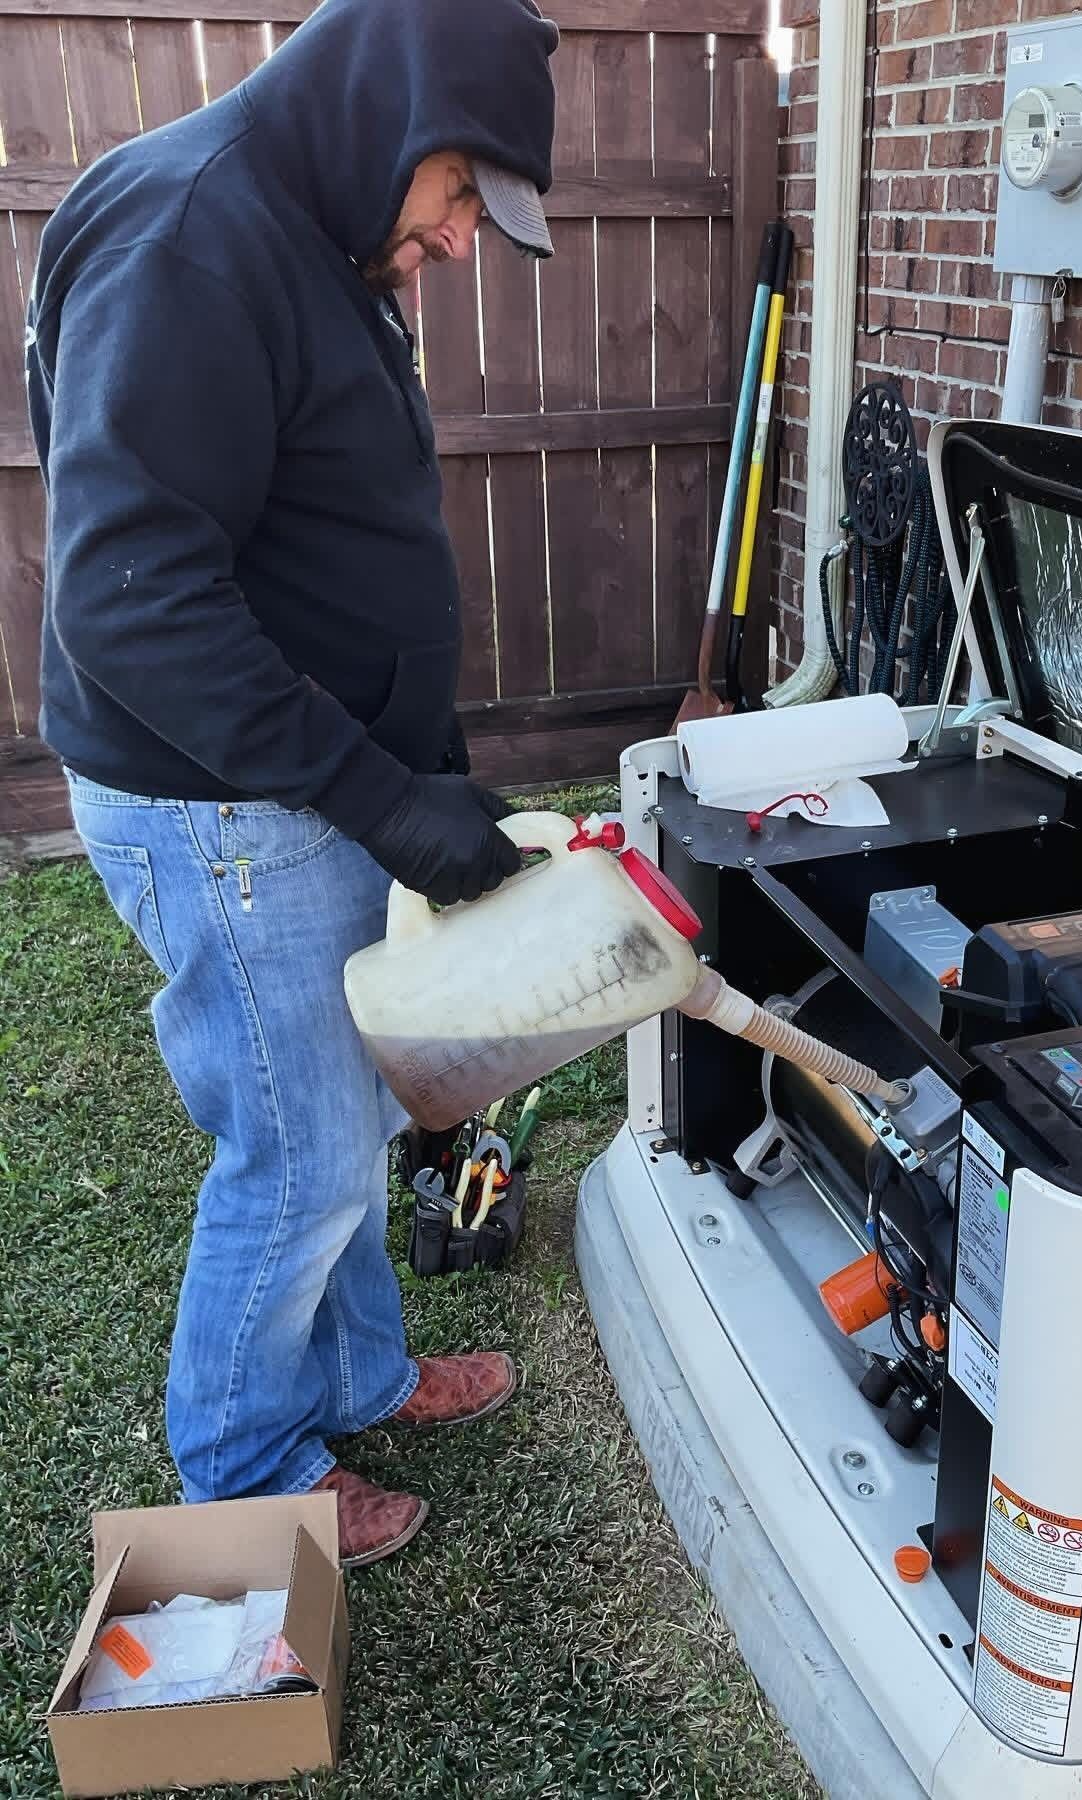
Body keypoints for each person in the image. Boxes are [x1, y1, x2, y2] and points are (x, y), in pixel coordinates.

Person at [26, 0, 559, 1566]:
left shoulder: (316, 225)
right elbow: (129, 597)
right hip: (224, 805)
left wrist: (416, 768)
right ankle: (249, 1463)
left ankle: (362, 1375)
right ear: (397, 114)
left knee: (360, 1108)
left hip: (300, 785)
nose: (463, 240)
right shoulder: (195, 237)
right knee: (303, 1147)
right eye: (464, 194)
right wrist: (383, 797)